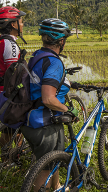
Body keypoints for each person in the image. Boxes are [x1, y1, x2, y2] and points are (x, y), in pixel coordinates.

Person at [20, 18, 78, 191]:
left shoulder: (38, 55)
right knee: (44, 169)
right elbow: (48, 99)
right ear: (61, 41)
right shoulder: (54, 62)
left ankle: (58, 186)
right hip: (44, 124)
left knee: (54, 160)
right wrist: (68, 109)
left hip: (30, 120)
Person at [0, 6, 26, 153]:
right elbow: (13, 75)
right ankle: (7, 156)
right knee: (22, 116)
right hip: (5, 94)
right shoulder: (10, 45)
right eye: (20, 21)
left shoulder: (3, 42)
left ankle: (16, 153)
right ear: (13, 24)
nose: (22, 24)